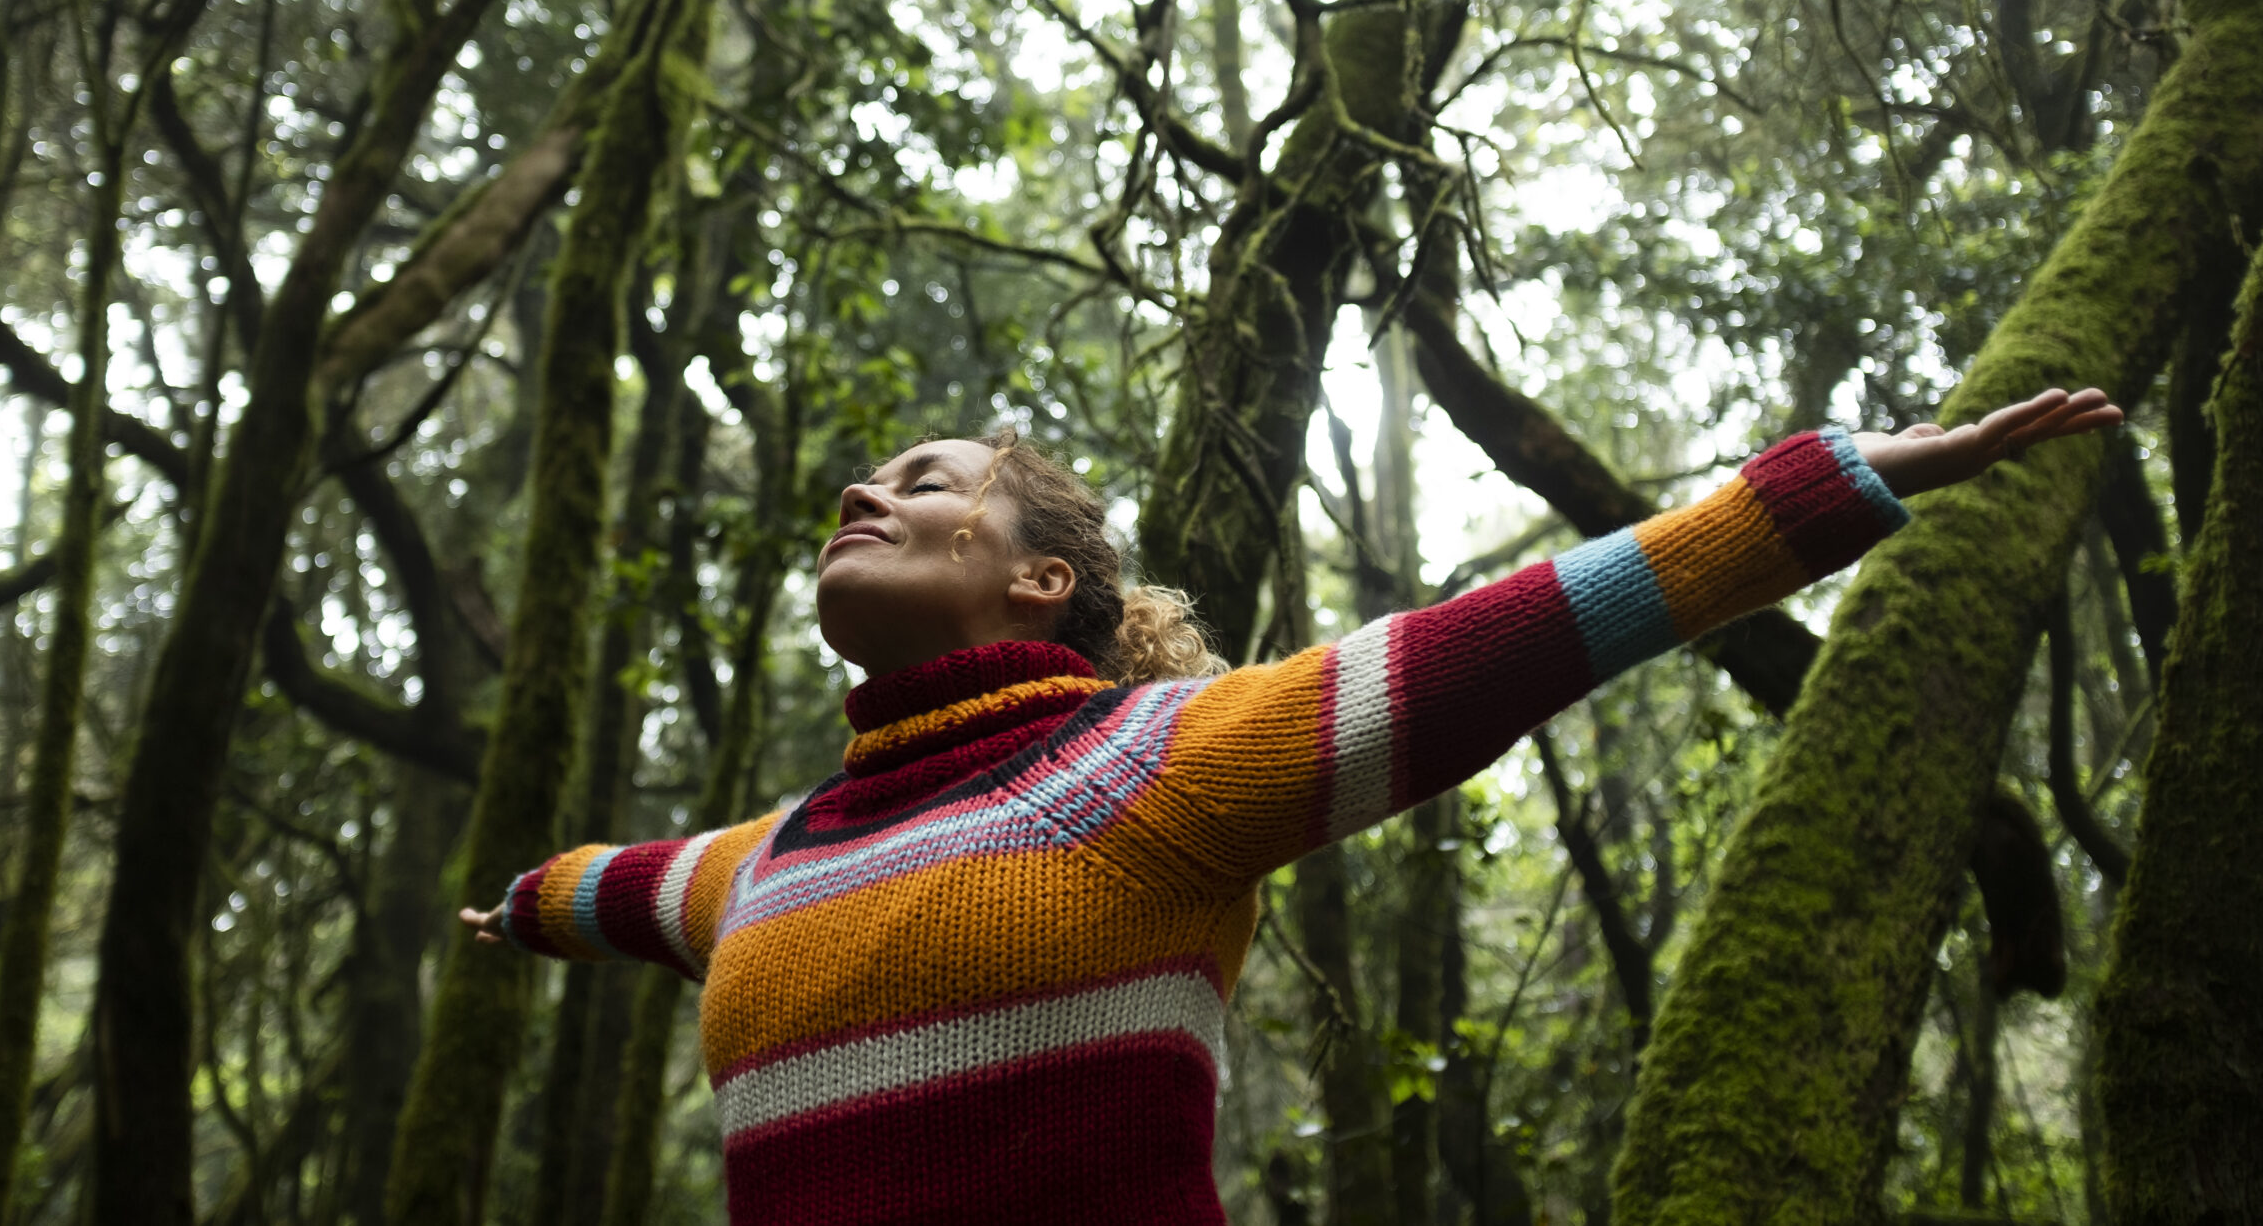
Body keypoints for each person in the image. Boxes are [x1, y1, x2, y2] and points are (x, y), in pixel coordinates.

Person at [461, 387, 2119, 1225]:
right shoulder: (762, 869)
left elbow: (1515, 638)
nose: (859, 492)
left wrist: (1840, 480)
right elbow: (624, 883)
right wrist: (528, 900)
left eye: (924, 483)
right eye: (869, 481)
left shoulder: (1147, 770)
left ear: (1042, 576)